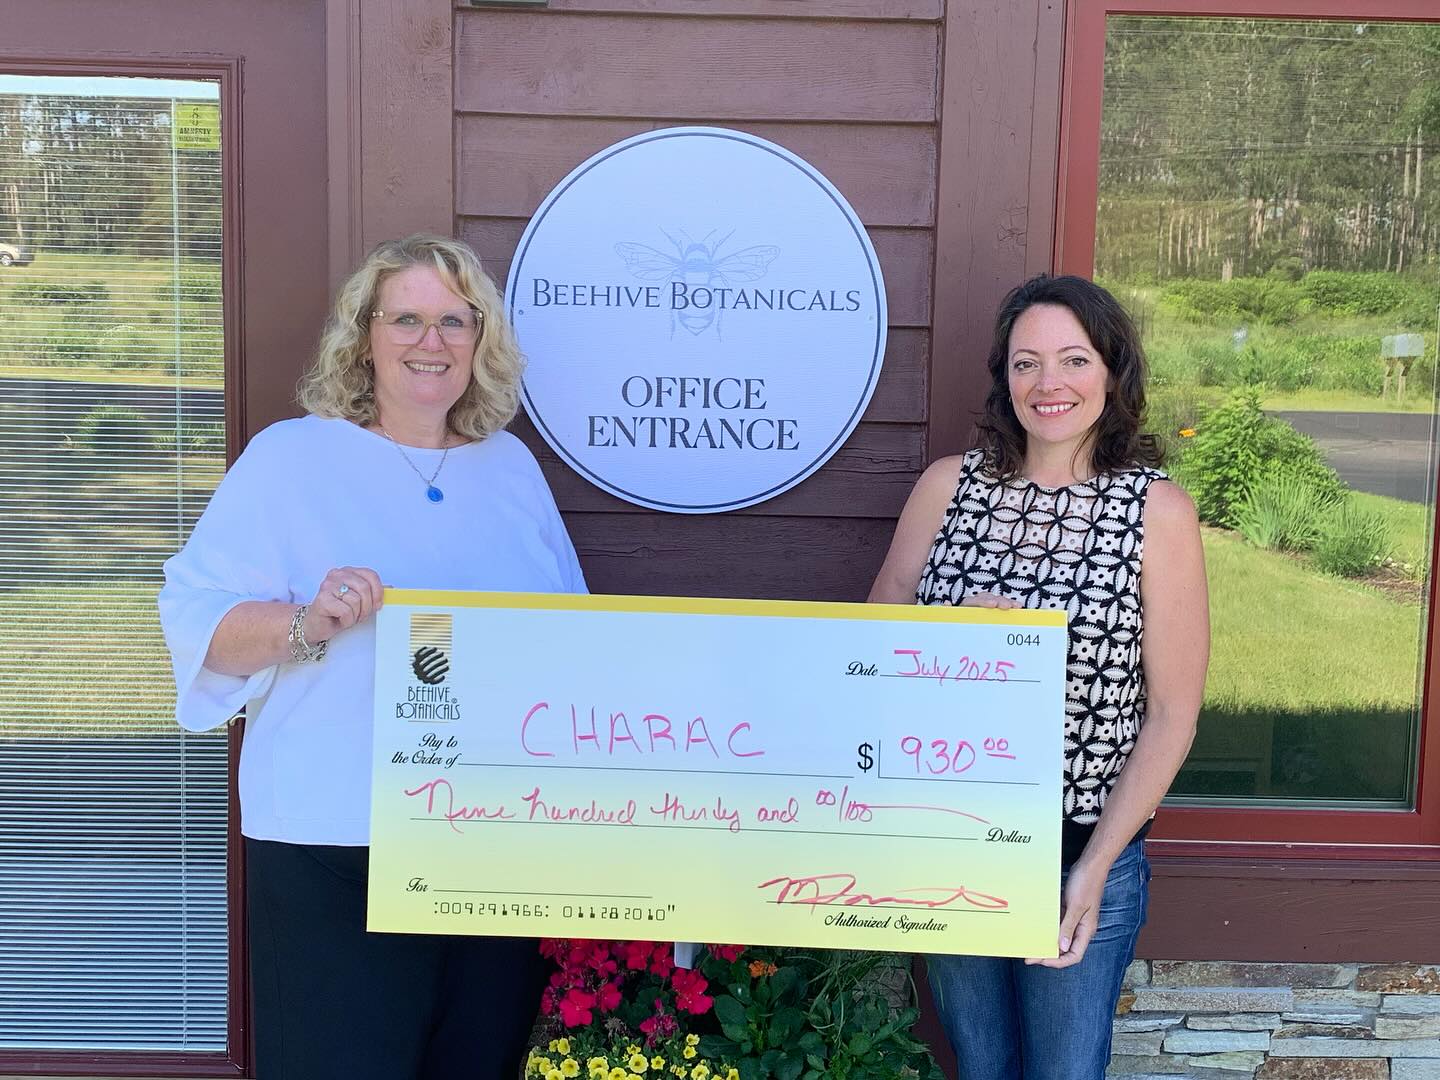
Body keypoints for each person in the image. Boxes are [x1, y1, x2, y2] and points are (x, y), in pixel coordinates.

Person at [159, 234, 587, 1079]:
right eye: (408, 319)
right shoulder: (291, 458)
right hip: (332, 841)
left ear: (481, 343)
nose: (433, 342)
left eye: (455, 323)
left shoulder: (510, 470)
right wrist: (308, 621)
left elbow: (570, 641)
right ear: (364, 336)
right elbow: (195, 620)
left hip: (486, 843)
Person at [868, 274, 1208, 1080]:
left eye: (1072, 360)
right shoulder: (948, 487)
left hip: (1079, 850)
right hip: (948, 840)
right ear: (1004, 377)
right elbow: (868, 648)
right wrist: (951, 634)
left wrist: (1093, 870)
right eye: (1026, 363)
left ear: (1112, 374)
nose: (1048, 384)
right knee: (979, 1067)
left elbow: (1171, 715)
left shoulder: (1156, 512)